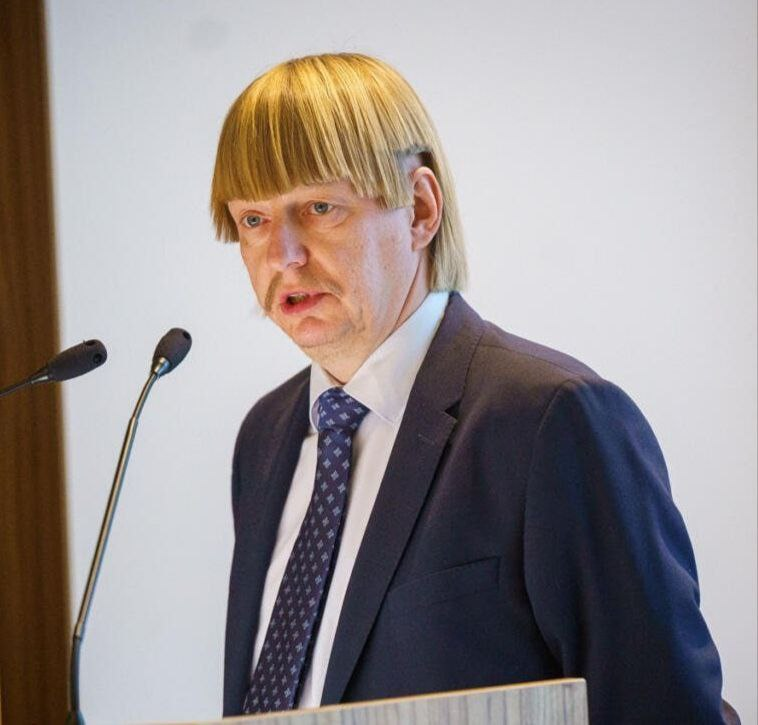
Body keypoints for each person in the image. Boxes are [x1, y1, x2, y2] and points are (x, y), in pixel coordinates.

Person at [210, 52, 738, 723]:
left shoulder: (552, 420)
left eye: (319, 207)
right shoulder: (266, 435)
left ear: (420, 209)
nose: (283, 255)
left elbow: (663, 709)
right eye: (253, 220)